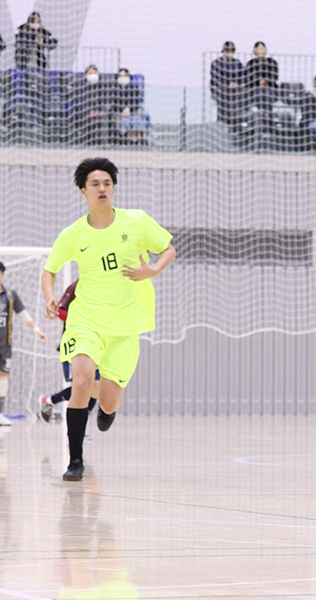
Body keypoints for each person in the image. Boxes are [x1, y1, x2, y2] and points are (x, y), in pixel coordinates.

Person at [41, 158, 176, 481]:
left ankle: (106, 411)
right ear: (83, 191)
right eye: (95, 184)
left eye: (107, 183)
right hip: (85, 320)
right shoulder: (73, 234)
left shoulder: (136, 221)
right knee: (81, 382)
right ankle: (75, 461)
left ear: (113, 188)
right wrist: (49, 296)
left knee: (110, 400)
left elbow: (168, 249)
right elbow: (49, 270)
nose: (102, 188)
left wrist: (153, 270)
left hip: (125, 325)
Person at [38, 280, 100, 423]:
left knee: (96, 386)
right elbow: (60, 311)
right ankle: (50, 401)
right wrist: (83, 321)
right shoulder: (76, 286)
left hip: (95, 343)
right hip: (75, 344)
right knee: (82, 385)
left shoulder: (104, 286)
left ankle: (52, 401)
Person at [0, 262, 48, 426]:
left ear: (3, 275)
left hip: (4, 345)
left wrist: (37, 330)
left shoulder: (10, 295)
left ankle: (0, 413)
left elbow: (22, 314)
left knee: (2, 377)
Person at [210, 41, 245, 125]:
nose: (229, 53)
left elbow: (242, 76)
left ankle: (235, 120)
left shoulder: (237, 63)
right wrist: (229, 84)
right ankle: (221, 120)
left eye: (231, 51)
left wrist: (240, 84)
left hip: (236, 91)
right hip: (221, 90)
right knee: (223, 97)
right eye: (228, 50)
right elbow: (216, 78)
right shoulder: (216, 63)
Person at [245, 41, 278, 111]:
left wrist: (265, 81)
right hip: (255, 89)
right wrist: (258, 81)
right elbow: (249, 76)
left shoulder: (271, 62)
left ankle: (268, 114)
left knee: (267, 94)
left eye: (262, 48)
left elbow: (274, 76)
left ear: (265, 50)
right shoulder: (251, 63)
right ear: (255, 51)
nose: (260, 51)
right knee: (258, 95)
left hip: (269, 88)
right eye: (258, 49)